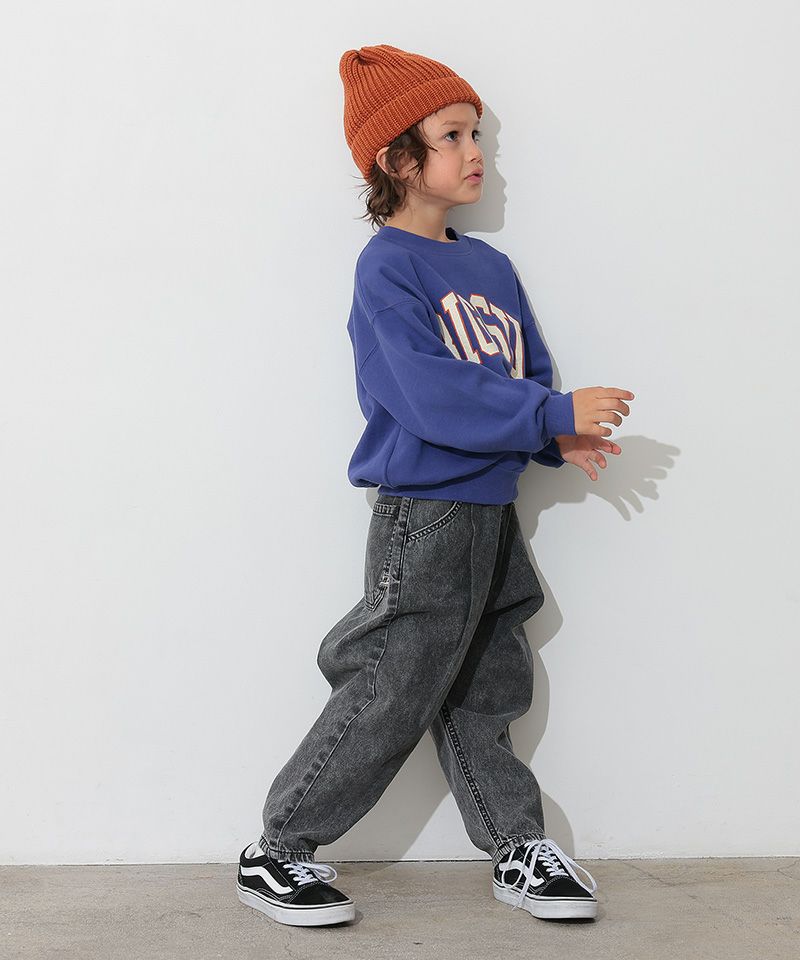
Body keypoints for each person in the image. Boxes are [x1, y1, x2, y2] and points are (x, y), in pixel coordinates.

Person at [236, 43, 635, 928]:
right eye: (451, 135)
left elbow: (525, 370)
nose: (475, 153)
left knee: (488, 687)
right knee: (391, 683)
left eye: (477, 134)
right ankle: (280, 847)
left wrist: (555, 432)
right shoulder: (386, 266)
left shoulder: (490, 268)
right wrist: (547, 412)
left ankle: (516, 845)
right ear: (395, 158)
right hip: (425, 513)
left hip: (493, 514)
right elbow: (426, 392)